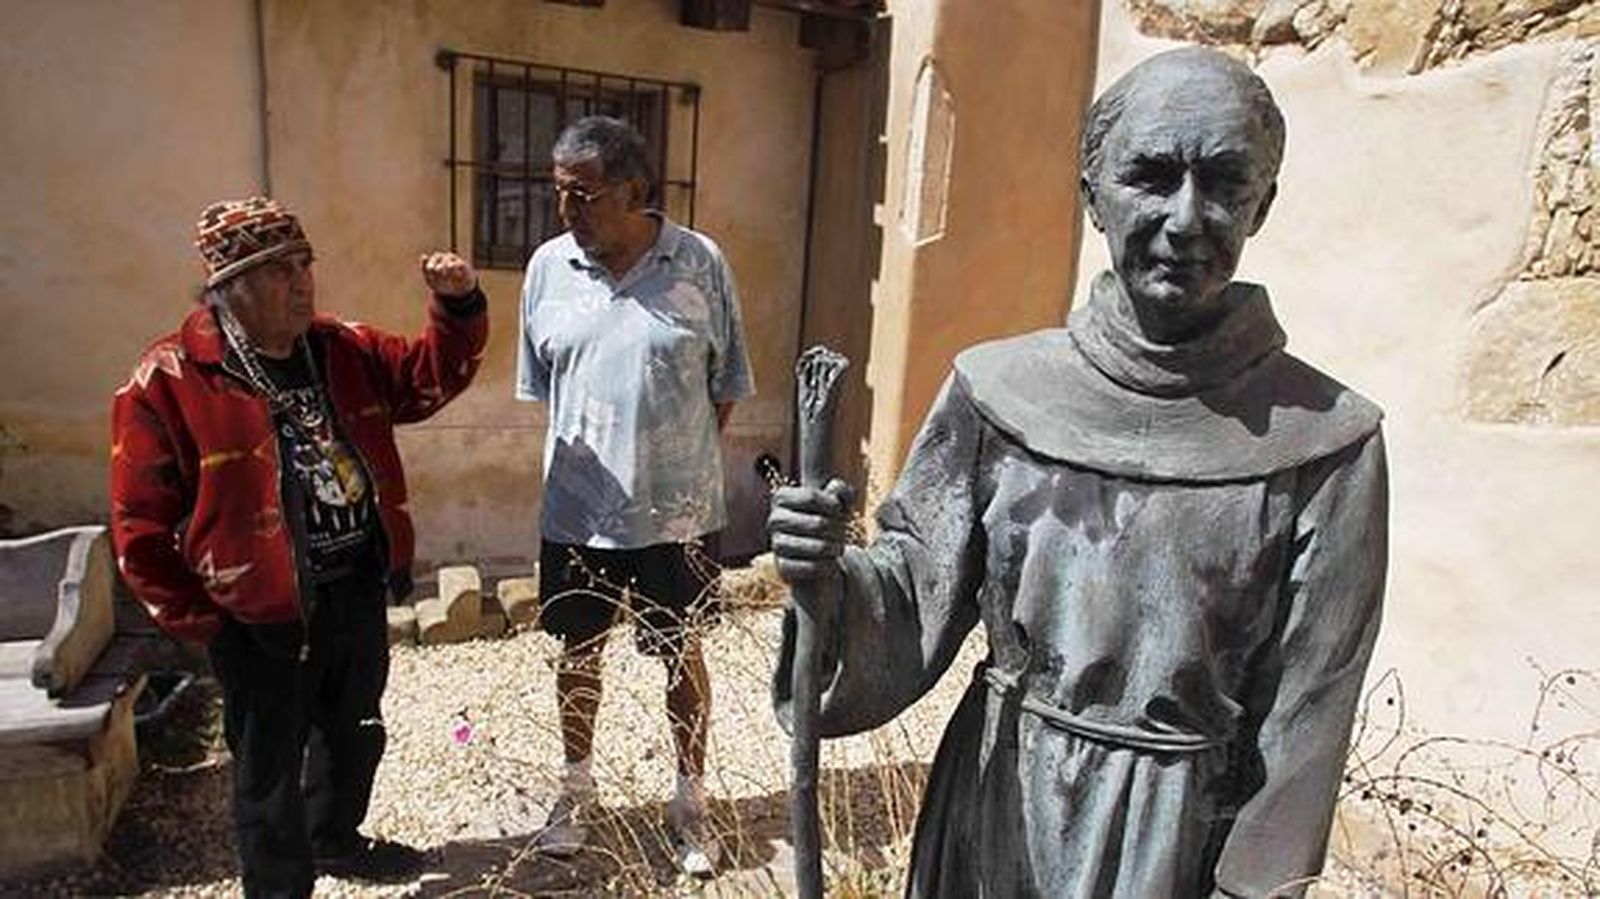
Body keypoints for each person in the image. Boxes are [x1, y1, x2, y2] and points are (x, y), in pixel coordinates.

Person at [768, 47, 1388, 898]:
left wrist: (1253, 886)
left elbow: (1308, 716)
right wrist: (828, 583)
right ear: (1092, 192)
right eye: (1151, 175)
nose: (1186, 216)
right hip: (995, 812)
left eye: (1225, 182)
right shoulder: (998, 393)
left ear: (1264, 203)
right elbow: (912, 594)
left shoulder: (1326, 442)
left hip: (1175, 846)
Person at [110, 197, 488, 898]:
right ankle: (280, 887)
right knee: (268, 764)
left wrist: (458, 308)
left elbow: (426, 379)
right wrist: (208, 621)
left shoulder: (339, 348)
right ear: (229, 287)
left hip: (353, 583)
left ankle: (336, 839)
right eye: (278, 269)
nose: (302, 281)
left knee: (355, 730)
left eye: (305, 263)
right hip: (256, 614)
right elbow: (138, 528)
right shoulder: (168, 380)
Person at [515, 116, 754, 876]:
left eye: (582, 195)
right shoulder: (549, 268)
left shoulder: (701, 263)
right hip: (578, 512)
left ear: (635, 191)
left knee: (681, 654)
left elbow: (726, 389)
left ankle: (690, 801)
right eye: (558, 195)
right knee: (578, 654)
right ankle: (576, 791)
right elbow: (547, 389)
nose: (567, 212)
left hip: (678, 513)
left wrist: (666, 465)